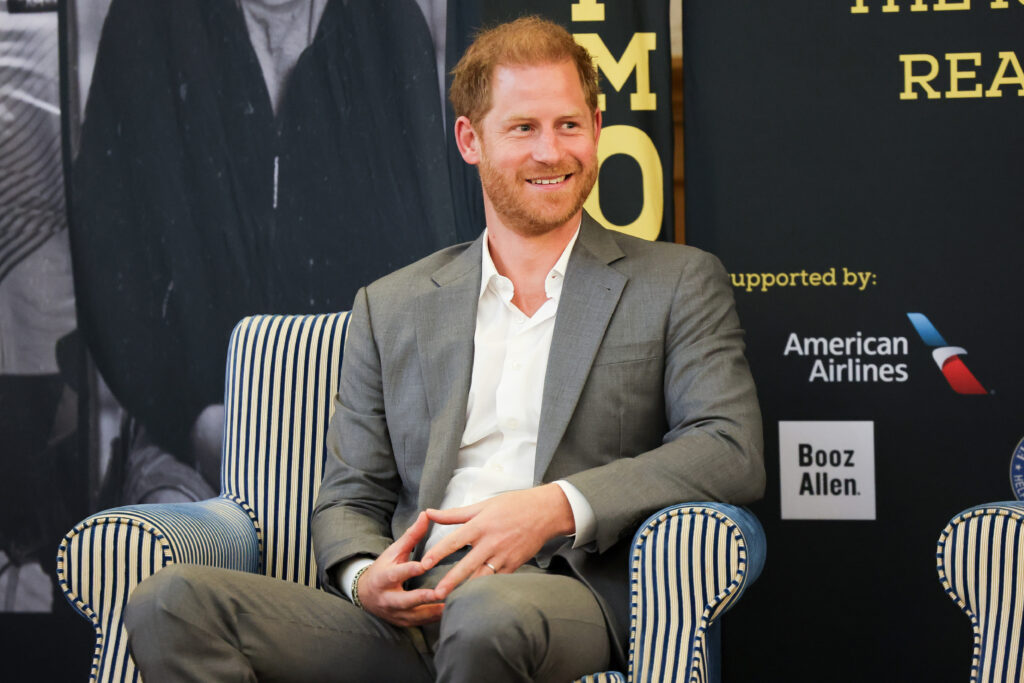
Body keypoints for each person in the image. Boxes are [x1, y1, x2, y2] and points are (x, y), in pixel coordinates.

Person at [124, 16, 764, 683]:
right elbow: (350, 494)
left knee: (486, 612)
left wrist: (554, 506)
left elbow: (729, 447)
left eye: (569, 125)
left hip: (557, 595)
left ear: (597, 130)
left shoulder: (677, 281)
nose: (553, 151)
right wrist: (364, 575)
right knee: (170, 604)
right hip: (407, 611)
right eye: (523, 128)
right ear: (470, 139)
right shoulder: (391, 304)